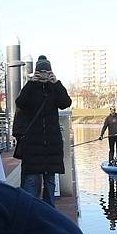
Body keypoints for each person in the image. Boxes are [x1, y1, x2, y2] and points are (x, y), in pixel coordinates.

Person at [13, 55, 72, 206]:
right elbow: (20, 103)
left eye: (47, 72)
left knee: (50, 181)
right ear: (36, 73)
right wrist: (31, 83)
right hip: (33, 143)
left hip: (51, 143)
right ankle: (30, 211)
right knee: (31, 181)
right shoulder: (31, 88)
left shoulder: (54, 88)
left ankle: (49, 213)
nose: (44, 75)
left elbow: (66, 103)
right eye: (42, 72)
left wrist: (57, 83)